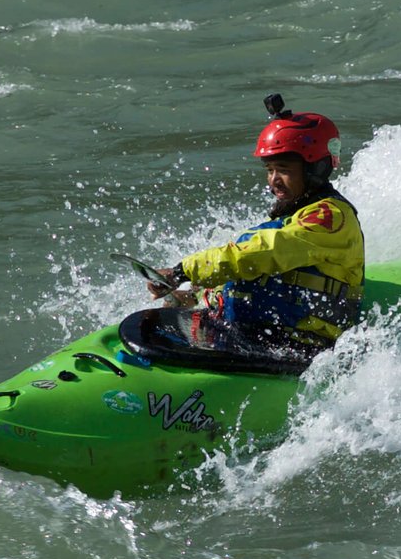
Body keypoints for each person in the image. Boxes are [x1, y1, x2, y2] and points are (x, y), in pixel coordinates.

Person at [151, 96, 365, 361]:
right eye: (270, 170)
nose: (273, 180)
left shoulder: (330, 217)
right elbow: (259, 276)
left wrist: (182, 270)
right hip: (259, 335)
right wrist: (193, 297)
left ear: (316, 168)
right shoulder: (294, 215)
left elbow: (262, 253)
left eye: (283, 170)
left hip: (301, 346)